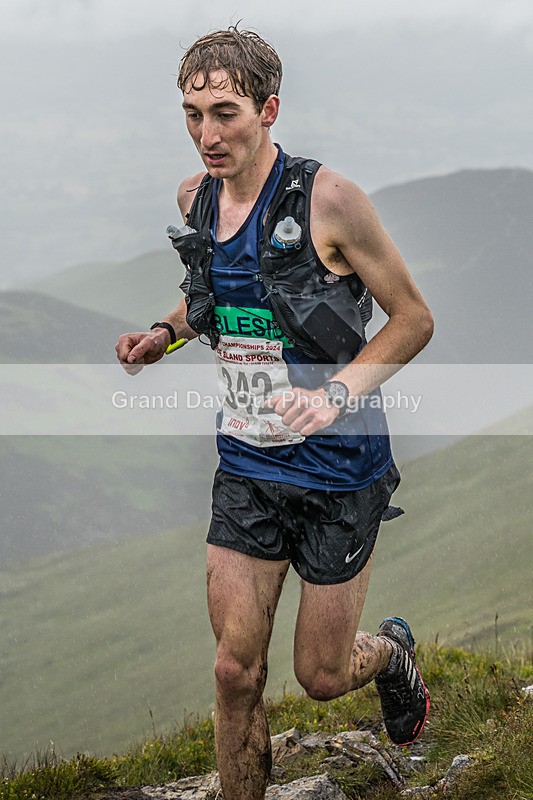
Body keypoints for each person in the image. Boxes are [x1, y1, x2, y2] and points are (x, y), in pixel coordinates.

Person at [116, 26, 434, 800]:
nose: (207, 134)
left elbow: (411, 320)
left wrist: (331, 397)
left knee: (321, 676)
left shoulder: (328, 200)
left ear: (269, 108)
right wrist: (164, 333)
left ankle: (391, 656)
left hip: (338, 469)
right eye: (192, 114)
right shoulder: (195, 201)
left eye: (224, 112)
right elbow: (217, 300)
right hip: (249, 461)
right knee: (234, 669)